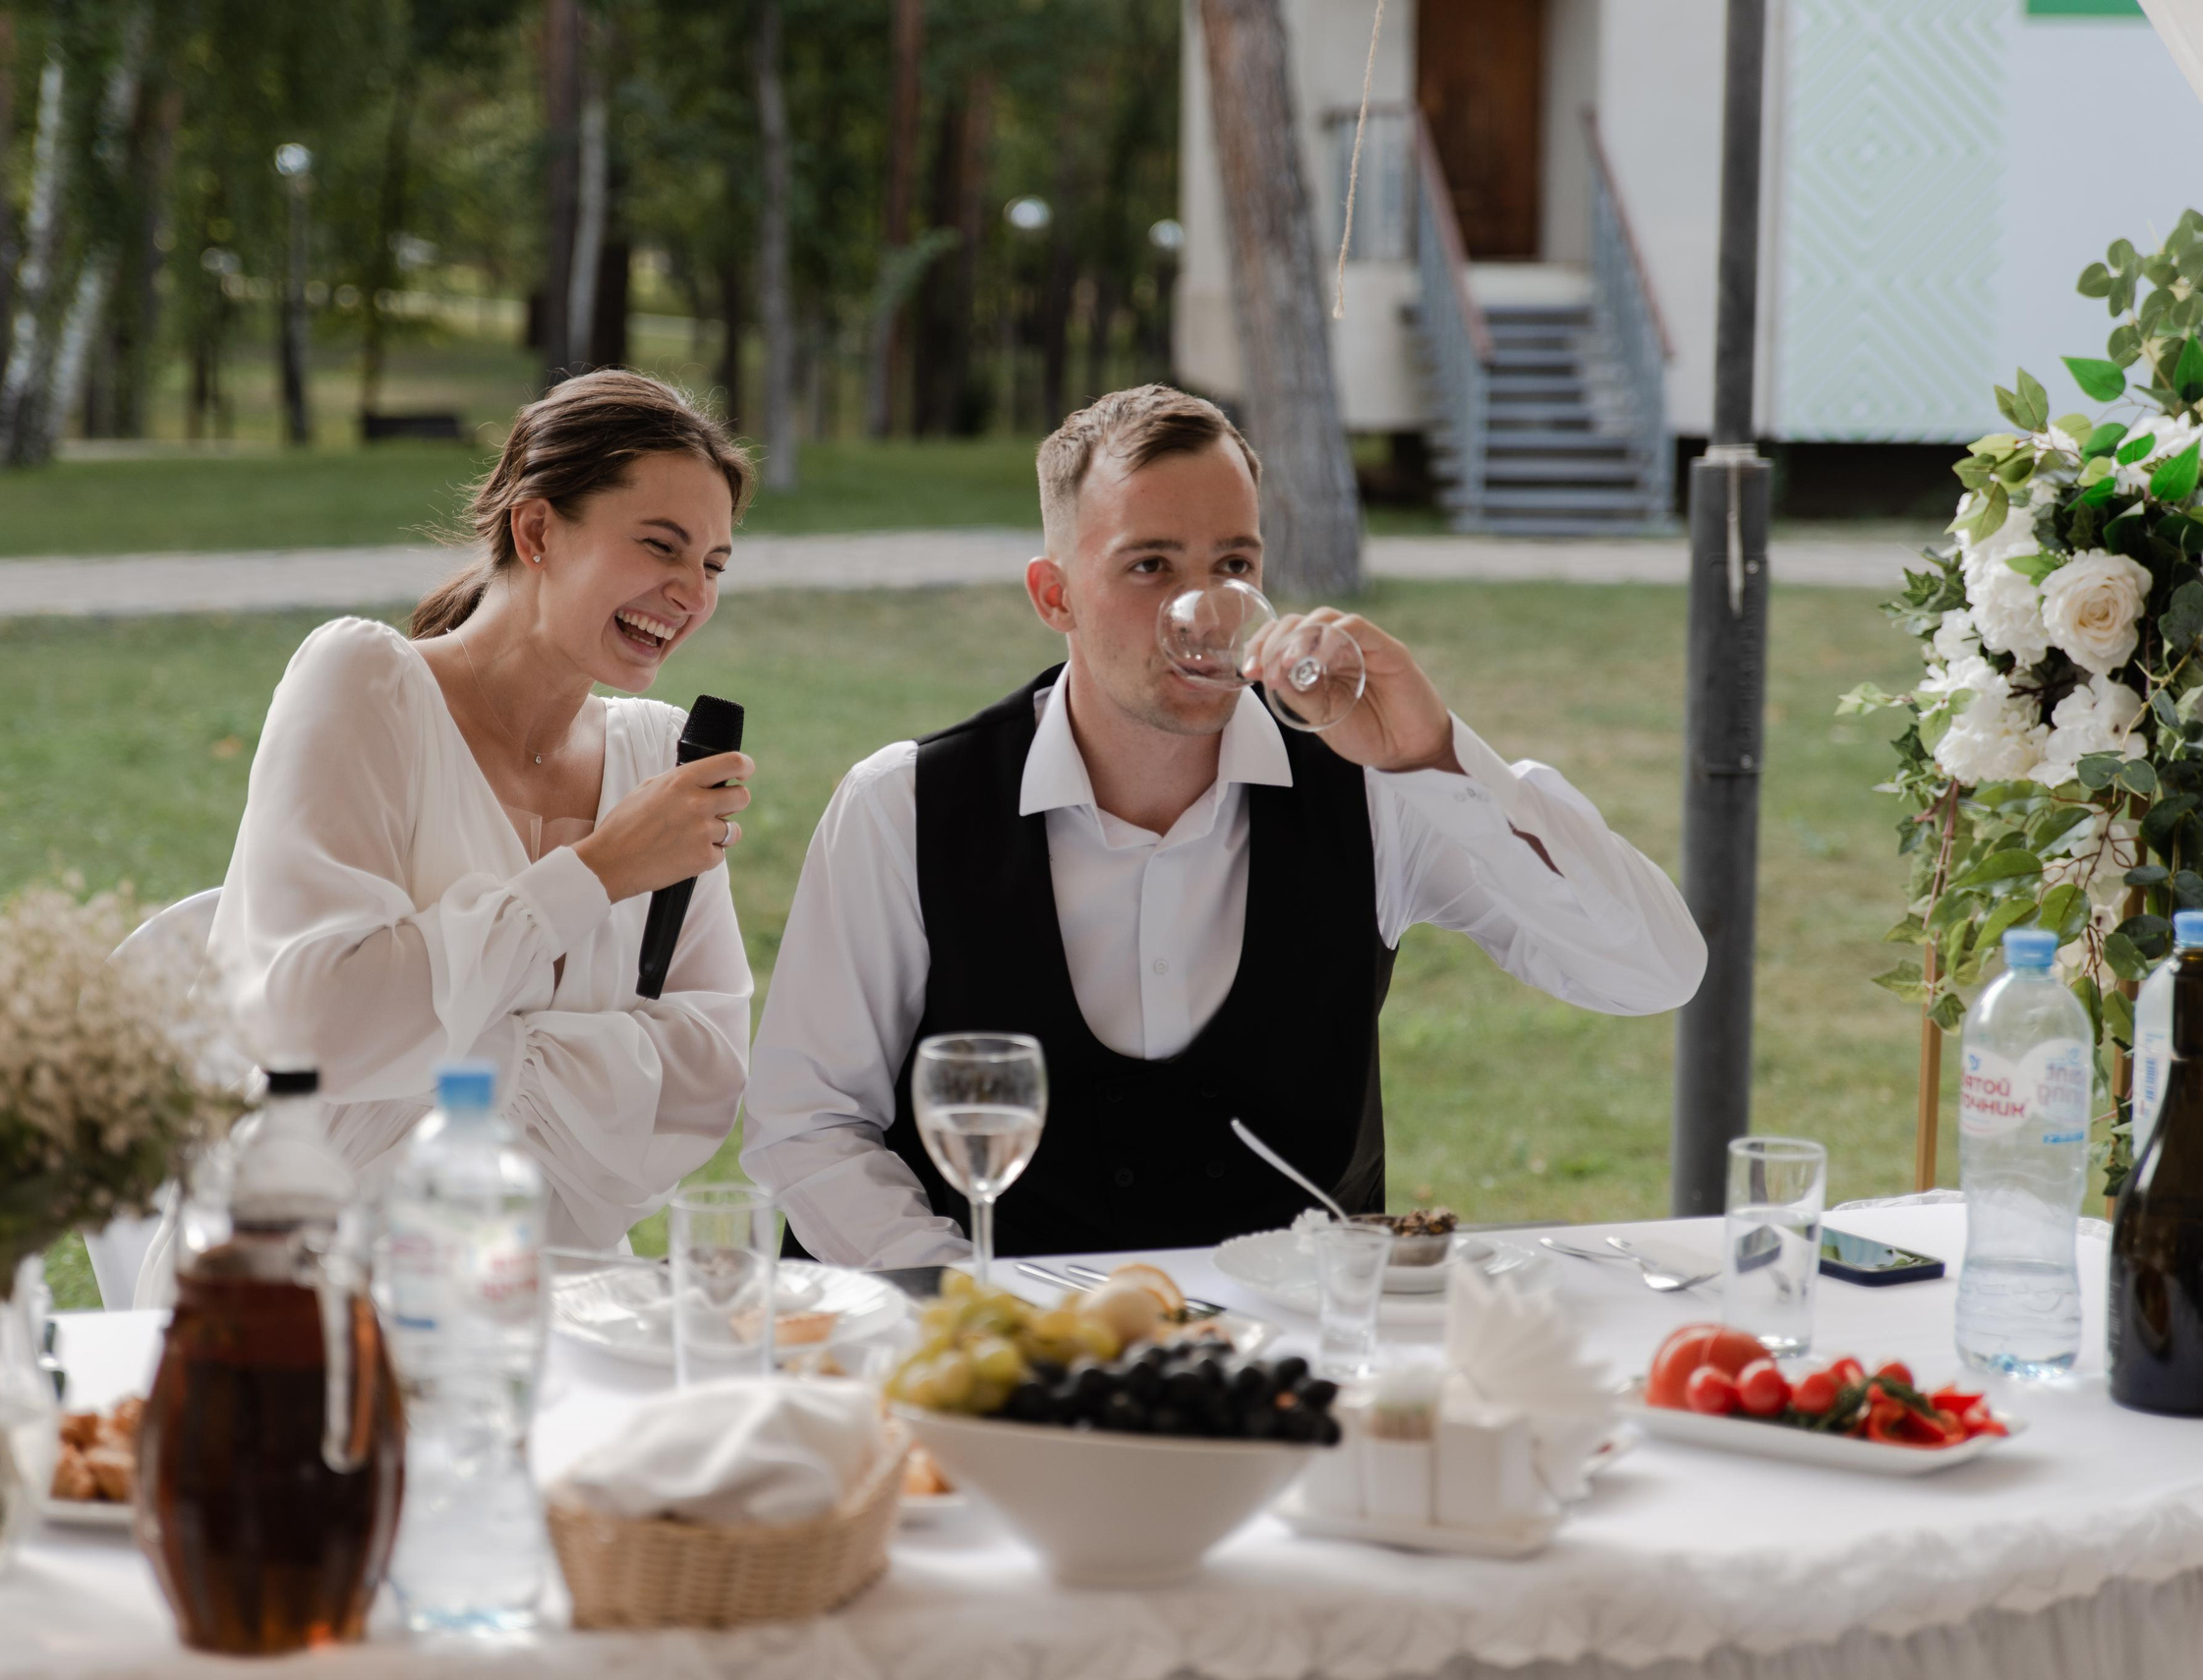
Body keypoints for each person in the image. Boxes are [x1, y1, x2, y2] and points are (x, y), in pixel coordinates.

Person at [742, 384, 1707, 1267]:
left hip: (1290, 1352)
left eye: (1233, 564)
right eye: (1150, 565)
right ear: (1054, 594)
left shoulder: (1374, 789)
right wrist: (973, 1303)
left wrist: (1437, 757)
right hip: (987, 1354)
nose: (1203, 613)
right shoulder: (904, 806)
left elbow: (1652, 972)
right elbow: (808, 1121)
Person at [203, 370, 757, 1256]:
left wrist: (452, 1049)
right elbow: (314, 1031)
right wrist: (596, 873)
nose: (693, 592)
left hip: (572, 1281)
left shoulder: (661, 756)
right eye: (662, 546)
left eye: (714, 565)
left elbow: (707, 1081)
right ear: (536, 530)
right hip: (323, 1271)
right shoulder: (365, 688)